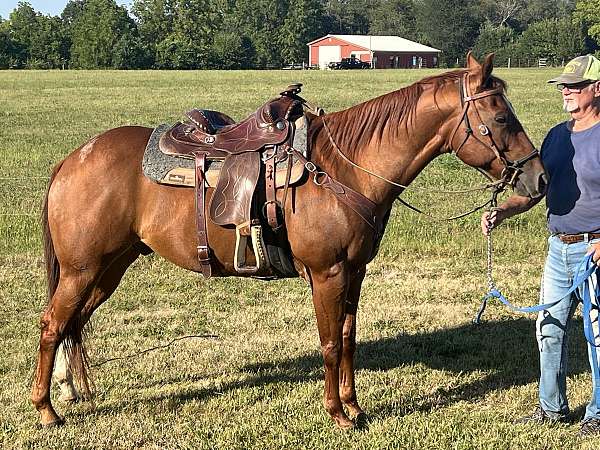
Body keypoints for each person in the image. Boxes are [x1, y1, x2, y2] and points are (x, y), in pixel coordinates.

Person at [481, 54, 600, 437]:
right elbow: (535, 191)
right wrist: (503, 211)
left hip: (594, 250)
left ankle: (597, 412)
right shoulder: (556, 136)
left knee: (597, 335)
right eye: (564, 84)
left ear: (596, 89)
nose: (566, 90)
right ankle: (552, 408)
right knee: (549, 328)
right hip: (559, 250)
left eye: (575, 85)